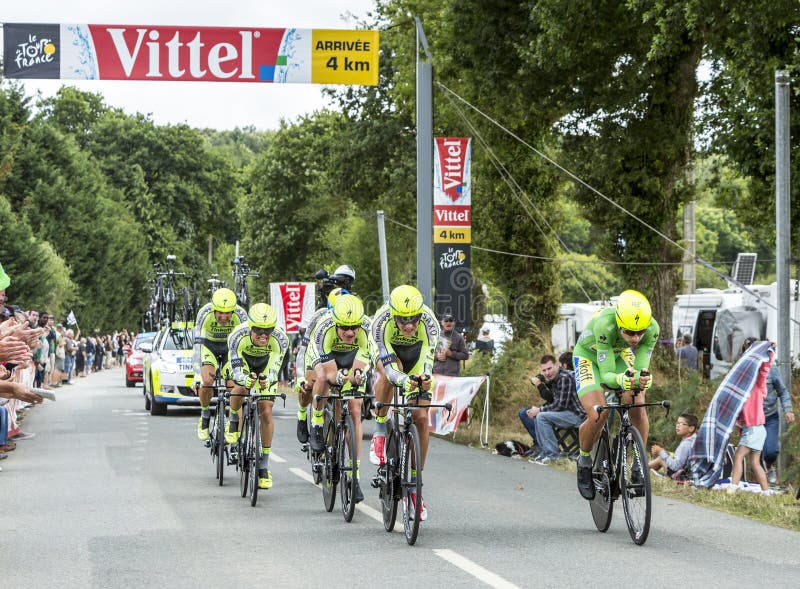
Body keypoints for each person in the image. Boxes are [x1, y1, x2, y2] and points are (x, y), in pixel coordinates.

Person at [573, 290, 659, 500]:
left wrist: (644, 379)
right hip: (590, 358)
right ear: (619, 323)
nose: (636, 338)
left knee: (638, 401)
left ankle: (639, 462)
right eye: (629, 332)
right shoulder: (605, 324)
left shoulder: (652, 329)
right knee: (598, 413)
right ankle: (584, 461)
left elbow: (641, 369)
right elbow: (607, 375)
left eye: (640, 332)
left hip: (618, 356)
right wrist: (621, 380)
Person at [369, 284, 438, 521]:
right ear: (393, 316)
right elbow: (388, 368)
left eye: (414, 319)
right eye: (403, 320)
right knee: (391, 372)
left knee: (421, 417)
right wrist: (403, 379)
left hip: (416, 357)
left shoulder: (430, 324)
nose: (409, 325)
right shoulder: (381, 323)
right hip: (390, 356)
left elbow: (428, 363)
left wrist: (424, 380)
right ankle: (379, 430)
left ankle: (415, 485)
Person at [306, 294, 371, 501]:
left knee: (354, 410)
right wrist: (341, 378)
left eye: (354, 328)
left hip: (352, 357)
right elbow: (333, 374)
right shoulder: (324, 327)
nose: (350, 332)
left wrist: (355, 376)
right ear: (336, 323)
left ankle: (355, 475)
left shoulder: (368, 330)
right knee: (325, 379)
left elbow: (359, 371)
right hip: (326, 356)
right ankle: (317, 421)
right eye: (344, 328)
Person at [226, 303, 289, 490]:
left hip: (266, 365)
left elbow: (275, 369)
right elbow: (236, 370)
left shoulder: (281, 339)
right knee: (240, 388)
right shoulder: (237, 336)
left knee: (266, 411)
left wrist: (266, 380)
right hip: (244, 363)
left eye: (268, 330)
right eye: (258, 330)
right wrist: (246, 379)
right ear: (250, 327)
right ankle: (233, 420)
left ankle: (263, 465)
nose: (263, 334)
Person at [192, 287, 248, 442]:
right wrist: (197, 375)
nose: (224, 317)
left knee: (235, 386)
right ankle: (204, 415)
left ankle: (235, 422)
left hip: (231, 348)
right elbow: (197, 346)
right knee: (207, 381)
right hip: (209, 346)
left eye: (228, 313)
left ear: (233, 311)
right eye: (220, 313)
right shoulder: (204, 313)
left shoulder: (241, 315)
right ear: (214, 309)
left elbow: (246, 344)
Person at [294, 286, 348, 444]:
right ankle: (303, 414)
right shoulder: (319, 317)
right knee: (310, 383)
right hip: (317, 352)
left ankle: (337, 435)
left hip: (341, 354)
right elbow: (304, 349)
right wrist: (300, 376)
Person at [741, 338, 795, 484]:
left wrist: (788, 410)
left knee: (770, 451)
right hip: (751, 419)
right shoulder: (743, 370)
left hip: (769, 416)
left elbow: (782, 391)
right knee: (754, 453)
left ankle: (769, 466)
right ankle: (759, 482)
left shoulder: (771, 369)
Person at [518, 354, 586, 464]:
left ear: (557, 365)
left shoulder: (565, 378)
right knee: (538, 415)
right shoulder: (555, 377)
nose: (547, 372)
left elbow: (560, 405)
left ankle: (553, 455)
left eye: (549, 368)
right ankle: (545, 452)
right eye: (544, 370)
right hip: (567, 412)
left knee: (541, 416)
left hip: (578, 415)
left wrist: (539, 409)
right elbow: (551, 399)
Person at [728, 340, 773, 495]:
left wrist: (770, 351)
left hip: (755, 429)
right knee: (754, 462)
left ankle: (733, 488)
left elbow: (764, 370)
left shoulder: (757, 385)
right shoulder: (742, 387)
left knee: (738, 456)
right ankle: (766, 492)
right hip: (755, 429)